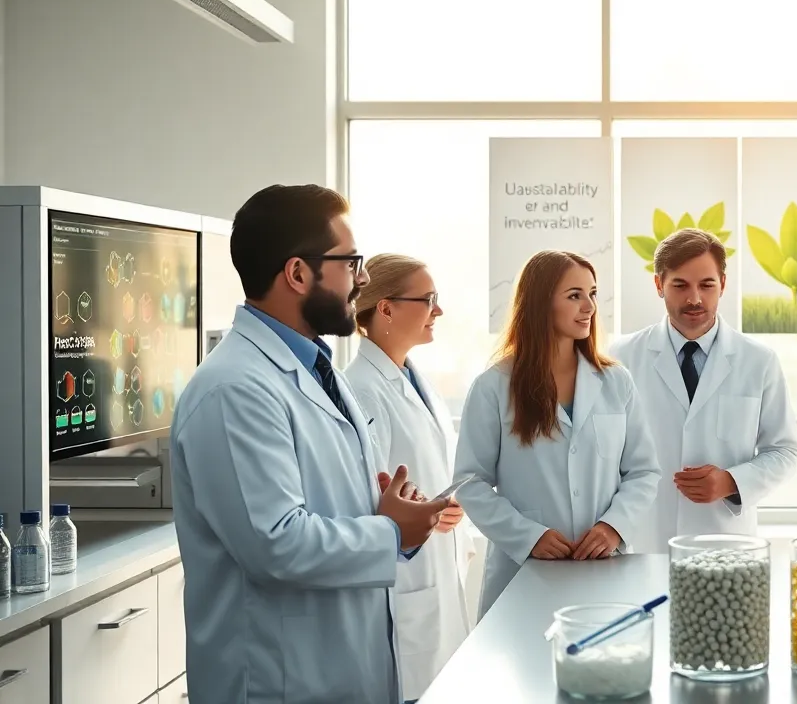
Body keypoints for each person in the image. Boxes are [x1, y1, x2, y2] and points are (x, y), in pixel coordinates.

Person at [171, 184, 452, 704]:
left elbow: (329, 505)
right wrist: (390, 531)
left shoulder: (318, 370)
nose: (363, 278)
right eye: (351, 262)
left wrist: (388, 511)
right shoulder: (234, 389)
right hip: (278, 682)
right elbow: (275, 543)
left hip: (342, 671)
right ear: (298, 274)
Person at [452, 250, 661, 615]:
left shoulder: (616, 382)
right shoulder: (494, 386)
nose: (589, 306)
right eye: (574, 295)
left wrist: (613, 527)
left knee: (599, 666)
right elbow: (470, 482)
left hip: (601, 568)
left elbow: (643, 472)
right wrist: (529, 536)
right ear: (540, 302)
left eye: (593, 293)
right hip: (523, 574)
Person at [607, 228, 797, 554]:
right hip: (644, 540)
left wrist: (731, 481)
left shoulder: (758, 360)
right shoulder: (622, 356)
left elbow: (785, 450)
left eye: (707, 285)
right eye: (680, 285)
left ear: (723, 284)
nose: (694, 298)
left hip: (725, 542)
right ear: (659, 285)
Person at [344, 254, 475, 703]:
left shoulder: (415, 378)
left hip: (436, 570)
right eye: (428, 300)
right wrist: (417, 514)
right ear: (386, 309)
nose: (438, 310)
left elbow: (430, 468)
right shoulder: (360, 389)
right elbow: (366, 496)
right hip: (405, 582)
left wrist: (447, 507)